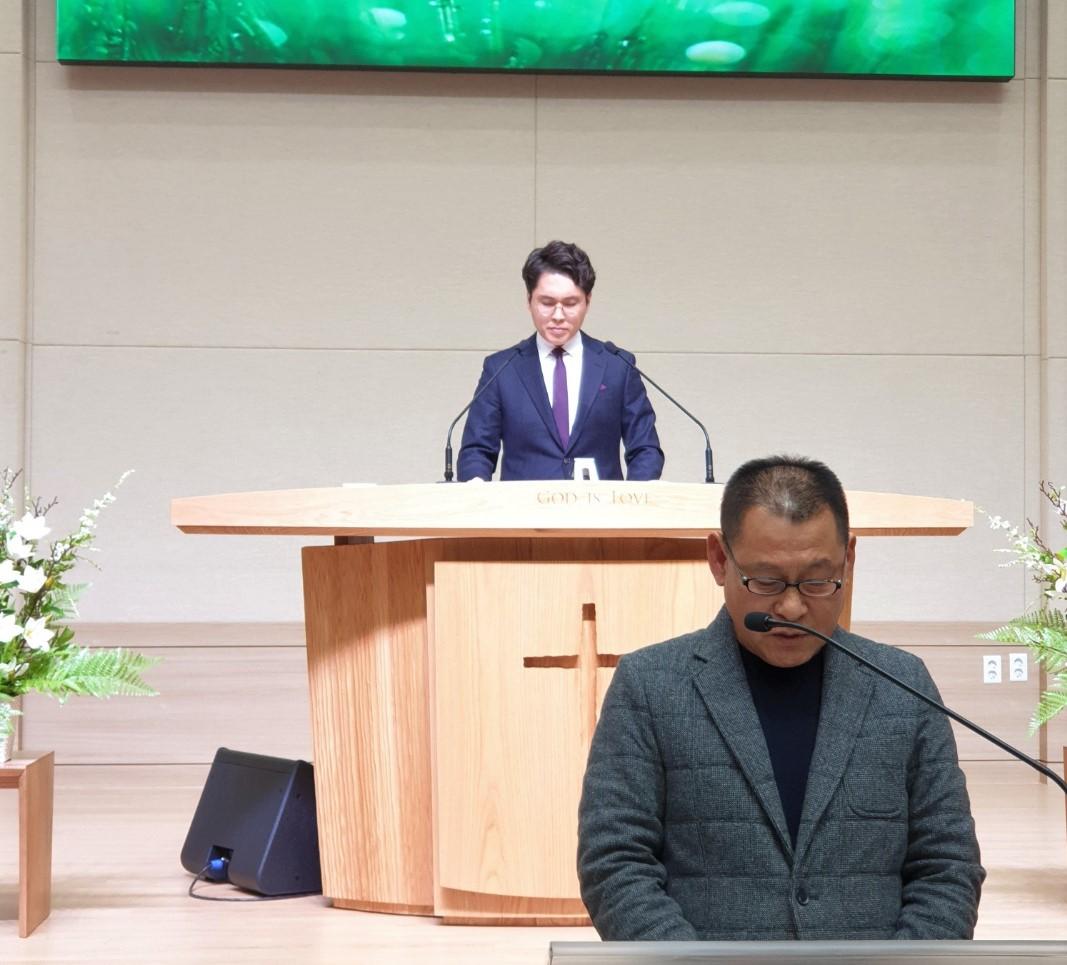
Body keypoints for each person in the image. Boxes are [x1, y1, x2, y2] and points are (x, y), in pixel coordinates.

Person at [577, 455, 984, 941]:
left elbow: (947, 865)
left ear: (848, 559)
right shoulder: (649, 684)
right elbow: (615, 863)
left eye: (817, 580)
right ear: (719, 560)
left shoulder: (902, 684)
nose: (792, 606)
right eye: (765, 581)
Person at [456, 240, 664, 481]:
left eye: (570, 303)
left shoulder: (618, 366)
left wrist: (633, 497)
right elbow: (476, 450)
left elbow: (646, 449)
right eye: (546, 303)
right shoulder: (501, 369)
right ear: (529, 301)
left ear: (588, 301)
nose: (558, 315)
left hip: (601, 505)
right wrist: (476, 486)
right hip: (522, 505)